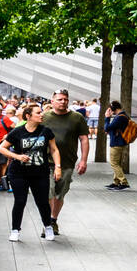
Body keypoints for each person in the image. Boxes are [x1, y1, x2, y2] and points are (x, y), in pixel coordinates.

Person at [0, 103, 62, 242]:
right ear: (28, 116)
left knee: (42, 202)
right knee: (20, 201)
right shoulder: (18, 131)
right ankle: (15, 230)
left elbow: (54, 149)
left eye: (41, 112)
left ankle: (48, 227)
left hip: (40, 172)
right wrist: (17, 156)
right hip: (19, 173)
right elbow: (2, 148)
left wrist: (58, 167)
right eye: (38, 113)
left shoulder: (46, 131)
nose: (42, 115)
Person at [42, 88, 89, 233]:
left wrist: (83, 160)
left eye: (65, 99)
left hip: (67, 163)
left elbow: (84, 139)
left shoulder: (76, 118)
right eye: (60, 99)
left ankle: (53, 220)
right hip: (46, 162)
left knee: (59, 194)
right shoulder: (44, 117)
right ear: (52, 101)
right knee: (47, 193)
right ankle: (47, 223)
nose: (63, 102)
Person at [104, 100, 132, 190]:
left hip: (116, 142)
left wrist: (107, 118)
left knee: (114, 163)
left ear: (113, 109)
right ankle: (116, 182)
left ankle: (124, 182)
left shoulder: (120, 117)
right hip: (119, 142)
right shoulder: (123, 116)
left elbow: (107, 127)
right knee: (117, 163)